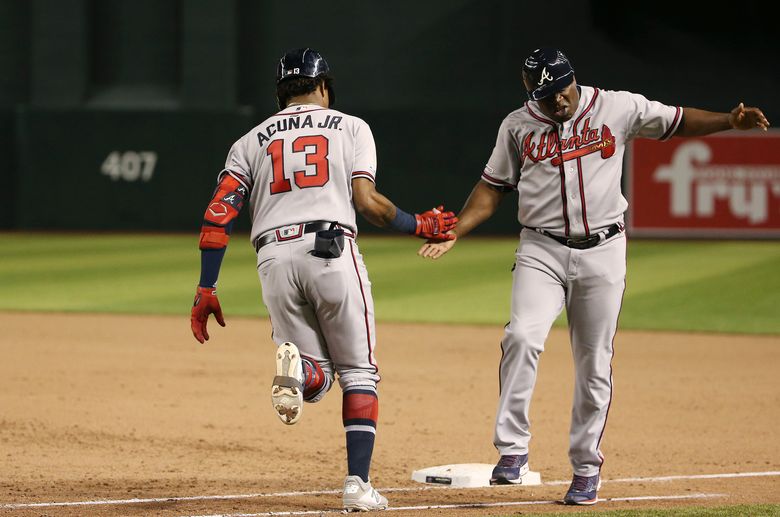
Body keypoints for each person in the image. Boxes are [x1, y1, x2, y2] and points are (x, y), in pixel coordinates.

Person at [418, 47, 770, 505]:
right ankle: (512, 451)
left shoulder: (617, 107)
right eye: (546, 96)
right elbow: (492, 188)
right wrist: (457, 231)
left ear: (573, 79)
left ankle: (585, 468)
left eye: (562, 91)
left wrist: (729, 121)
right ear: (531, 93)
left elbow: (678, 120)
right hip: (541, 248)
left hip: (604, 249)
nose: (557, 102)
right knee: (522, 336)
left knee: (594, 365)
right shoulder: (517, 126)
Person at [190, 47, 457, 512]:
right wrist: (419, 224)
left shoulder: (249, 141)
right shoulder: (351, 127)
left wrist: (206, 288)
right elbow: (369, 204)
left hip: (272, 258)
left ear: (280, 93)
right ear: (325, 87)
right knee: (358, 371)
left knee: (317, 379)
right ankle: (357, 486)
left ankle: (305, 370)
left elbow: (218, 217)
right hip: (330, 251)